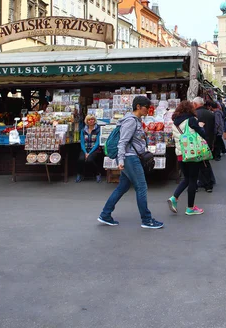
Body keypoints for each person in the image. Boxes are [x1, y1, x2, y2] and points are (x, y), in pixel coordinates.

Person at [98, 96, 163, 229]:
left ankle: (105, 214)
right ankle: (147, 219)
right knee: (142, 187)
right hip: (130, 158)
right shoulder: (131, 121)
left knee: (123, 187)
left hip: (130, 157)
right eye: (146, 107)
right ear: (138, 106)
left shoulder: (136, 120)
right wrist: (121, 160)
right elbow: (123, 142)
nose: (148, 110)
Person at [168, 100, 207, 216]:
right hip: (191, 153)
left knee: (186, 178)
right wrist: (201, 126)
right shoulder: (191, 120)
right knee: (193, 180)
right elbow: (202, 134)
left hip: (180, 154)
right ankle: (190, 208)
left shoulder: (175, 122)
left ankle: (174, 197)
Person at [193, 97, 216, 192]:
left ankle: (202, 183)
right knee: (205, 162)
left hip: (197, 142)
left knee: (196, 163)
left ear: (195, 104)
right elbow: (213, 129)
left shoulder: (194, 115)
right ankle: (208, 183)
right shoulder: (210, 114)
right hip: (208, 141)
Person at [76, 114, 103, 183]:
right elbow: (82, 142)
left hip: (94, 149)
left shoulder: (98, 130)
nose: (91, 121)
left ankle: (97, 173)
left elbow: (97, 143)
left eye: (92, 119)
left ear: (95, 120)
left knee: (89, 160)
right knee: (80, 159)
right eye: (89, 119)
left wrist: (89, 153)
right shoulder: (83, 130)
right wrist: (85, 152)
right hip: (85, 149)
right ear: (87, 121)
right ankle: (79, 174)